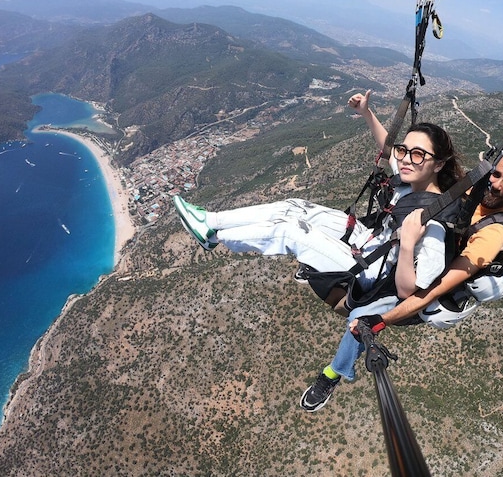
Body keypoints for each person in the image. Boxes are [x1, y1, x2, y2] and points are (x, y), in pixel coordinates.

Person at [172, 91, 463, 409]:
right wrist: (367, 114)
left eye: (418, 154)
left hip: (375, 274)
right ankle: (211, 223)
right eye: (405, 150)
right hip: (368, 240)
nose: (406, 159)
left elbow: (411, 291)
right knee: (293, 207)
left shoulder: (436, 224)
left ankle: (333, 375)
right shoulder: (412, 179)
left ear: (439, 164)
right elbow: (388, 148)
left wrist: (408, 246)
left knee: (290, 233)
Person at [349, 145, 503, 356]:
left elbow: (439, 287)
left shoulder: (493, 233)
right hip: (397, 252)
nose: (496, 184)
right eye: (495, 174)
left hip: (415, 287)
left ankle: (331, 377)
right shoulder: (468, 188)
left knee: (357, 314)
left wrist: (383, 320)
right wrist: (366, 113)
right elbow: (406, 158)